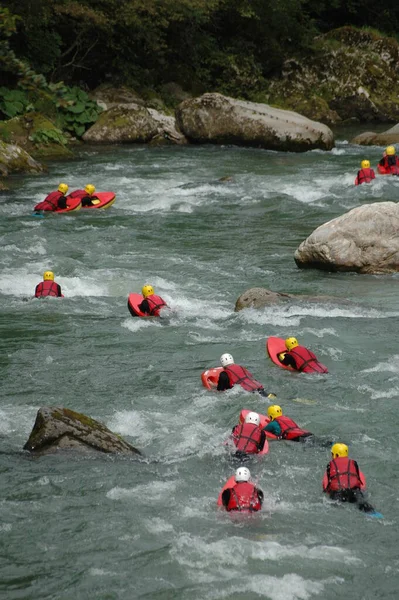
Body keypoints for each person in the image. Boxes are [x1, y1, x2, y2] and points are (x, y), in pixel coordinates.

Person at [323, 443, 375, 513]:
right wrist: (361, 492)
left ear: (336, 454)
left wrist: (328, 492)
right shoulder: (352, 463)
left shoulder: (331, 465)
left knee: (334, 508)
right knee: (363, 505)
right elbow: (362, 481)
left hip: (338, 493)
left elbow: (325, 485)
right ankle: (372, 513)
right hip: (354, 492)